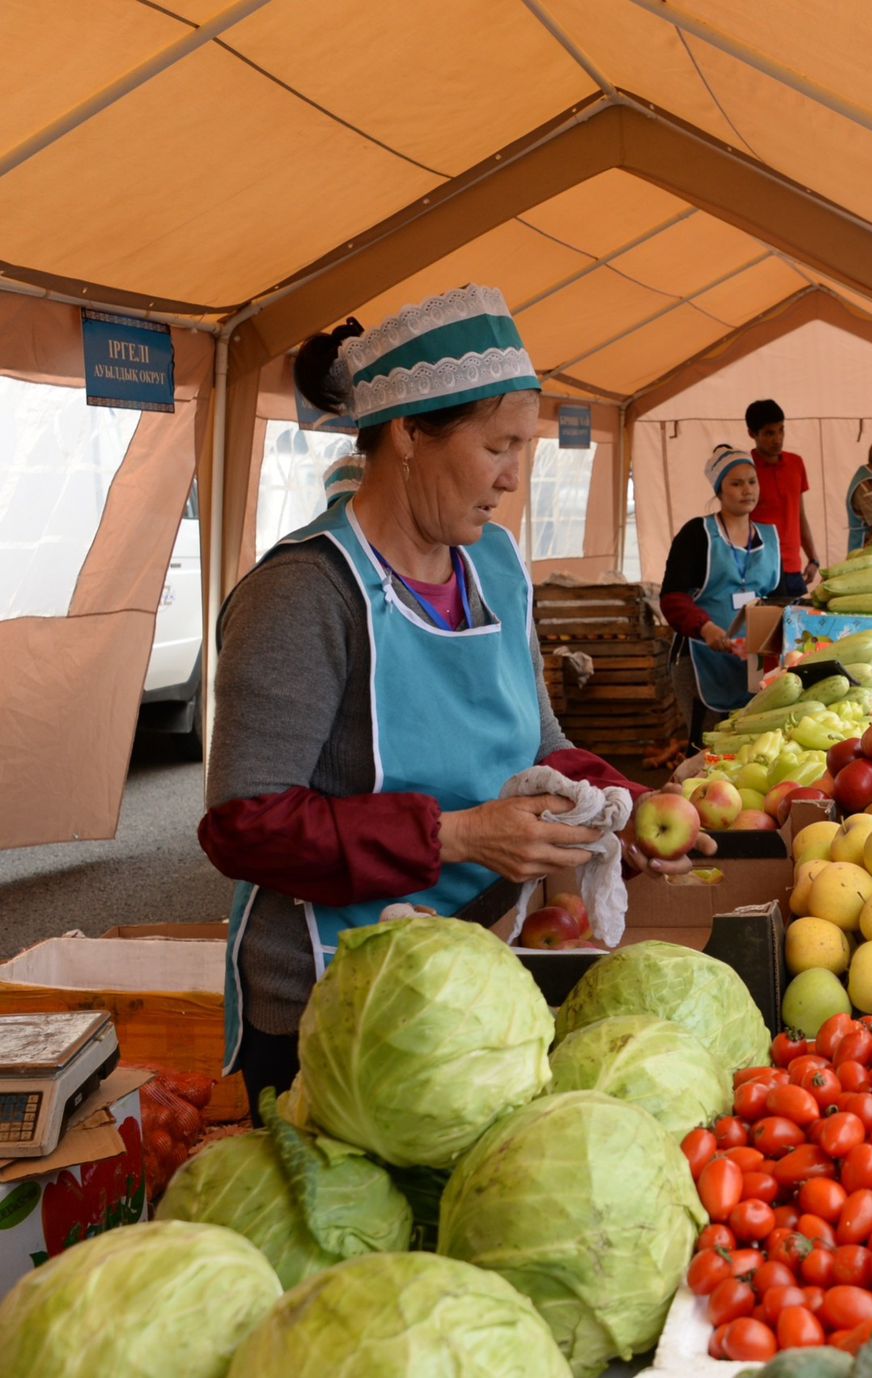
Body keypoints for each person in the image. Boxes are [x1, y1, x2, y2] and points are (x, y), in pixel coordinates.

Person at [199, 285, 710, 1113]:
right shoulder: (305, 595)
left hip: (478, 966)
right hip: (339, 1009)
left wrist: (625, 804)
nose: (513, 478)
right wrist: (462, 835)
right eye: (498, 446)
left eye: (524, 449)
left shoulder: (498, 566)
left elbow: (538, 744)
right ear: (407, 435)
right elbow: (242, 824)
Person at [660, 445, 782, 744]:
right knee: (709, 747)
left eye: (752, 481)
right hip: (702, 658)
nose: (746, 490)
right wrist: (706, 628)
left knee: (752, 747)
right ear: (719, 490)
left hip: (754, 661)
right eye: (736, 483)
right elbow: (672, 597)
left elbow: (778, 599)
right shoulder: (698, 534)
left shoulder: (769, 537)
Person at [745, 398, 820, 595]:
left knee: (800, 623)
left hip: (794, 568)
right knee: (767, 625)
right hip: (760, 570)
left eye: (781, 430)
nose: (778, 438)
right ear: (752, 434)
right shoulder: (744, 469)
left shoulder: (796, 463)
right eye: (770, 433)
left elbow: (799, 515)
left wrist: (813, 558)